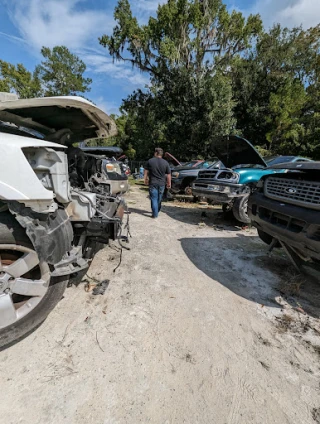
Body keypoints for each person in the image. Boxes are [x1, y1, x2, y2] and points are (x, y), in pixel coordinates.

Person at [144, 148, 171, 218]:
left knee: (154, 198)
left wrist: (145, 179)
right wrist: (169, 183)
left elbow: (145, 171)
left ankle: (155, 213)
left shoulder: (150, 161)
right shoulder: (165, 163)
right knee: (159, 198)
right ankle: (156, 211)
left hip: (153, 183)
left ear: (156, 153)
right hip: (162, 184)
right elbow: (168, 174)